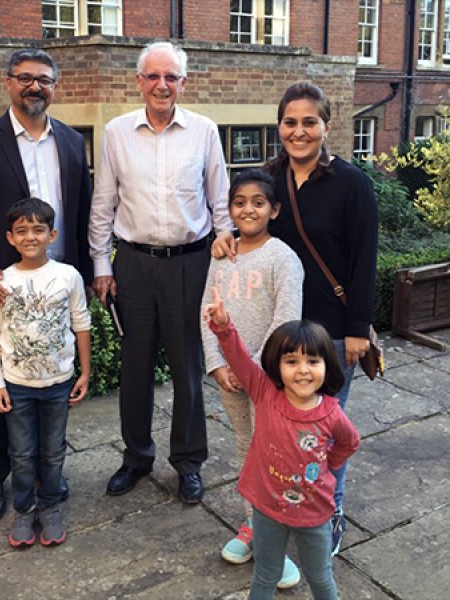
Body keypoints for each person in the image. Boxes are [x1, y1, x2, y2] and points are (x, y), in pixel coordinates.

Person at [218, 82, 378, 555]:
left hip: (330, 335)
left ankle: (329, 513)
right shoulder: (271, 177)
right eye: (290, 122)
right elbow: (252, 220)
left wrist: (356, 331)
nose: (299, 131)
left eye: (310, 122)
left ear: (327, 126)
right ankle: (271, 517)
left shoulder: (352, 184)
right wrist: (226, 236)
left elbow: (365, 260)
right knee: (276, 435)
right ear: (279, 126)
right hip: (278, 334)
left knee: (323, 433)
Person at [0, 48, 94, 522]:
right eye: (25, 78)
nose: (35, 87)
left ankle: (48, 474)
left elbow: (85, 212)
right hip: (0, 288)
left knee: (51, 382)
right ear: (8, 83)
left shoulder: (71, 142)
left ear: (55, 85)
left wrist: (89, 275)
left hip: (56, 285)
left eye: (44, 80)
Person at [87, 41, 234, 503]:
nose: (162, 85)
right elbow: (103, 204)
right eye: (153, 76)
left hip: (192, 264)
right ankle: (136, 456)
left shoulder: (204, 131)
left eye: (171, 77)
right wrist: (101, 264)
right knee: (134, 368)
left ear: (183, 82)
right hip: (132, 265)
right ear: (138, 81)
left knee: (190, 368)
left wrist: (226, 253)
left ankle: (188, 462)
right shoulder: (115, 132)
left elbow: (221, 201)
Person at [203, 291, 360, 600]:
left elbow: (349, 441)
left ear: (326, 365)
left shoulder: (331, 412)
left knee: (320, 577)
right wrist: (223, 328)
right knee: (265, 574)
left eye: (312, 361)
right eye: (292, 361)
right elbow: (239, 360)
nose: (303, 369)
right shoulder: (265, 394)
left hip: (314, 513)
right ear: (278, 365)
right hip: (267, 509)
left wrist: (329, 464)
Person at [200, 169, 304, 588]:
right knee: (245, 450)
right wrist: (217, 363)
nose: (248, 209)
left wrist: (253, 370)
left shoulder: (282, 258)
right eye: (239, 202)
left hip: (267, 381)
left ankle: (275, 543)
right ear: (229, 210)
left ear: (274, 210)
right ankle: (252, 526)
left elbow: (286, 321)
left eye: (258, 202)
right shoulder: (222, 255)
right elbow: (208, 309)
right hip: (229, 378)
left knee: (275, 459)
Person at [0, 198, 91, 548]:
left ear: (52, 234)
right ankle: (25, 509)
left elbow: (81, 324)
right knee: (23, 453)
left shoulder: (67, 276)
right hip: (18, 386)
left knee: (54, 450)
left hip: (58, 383)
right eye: (22, 231)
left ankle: (50, 506)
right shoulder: (3, 281)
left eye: (38, 230)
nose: (31, 236)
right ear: (11, 238)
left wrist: (85, 372)